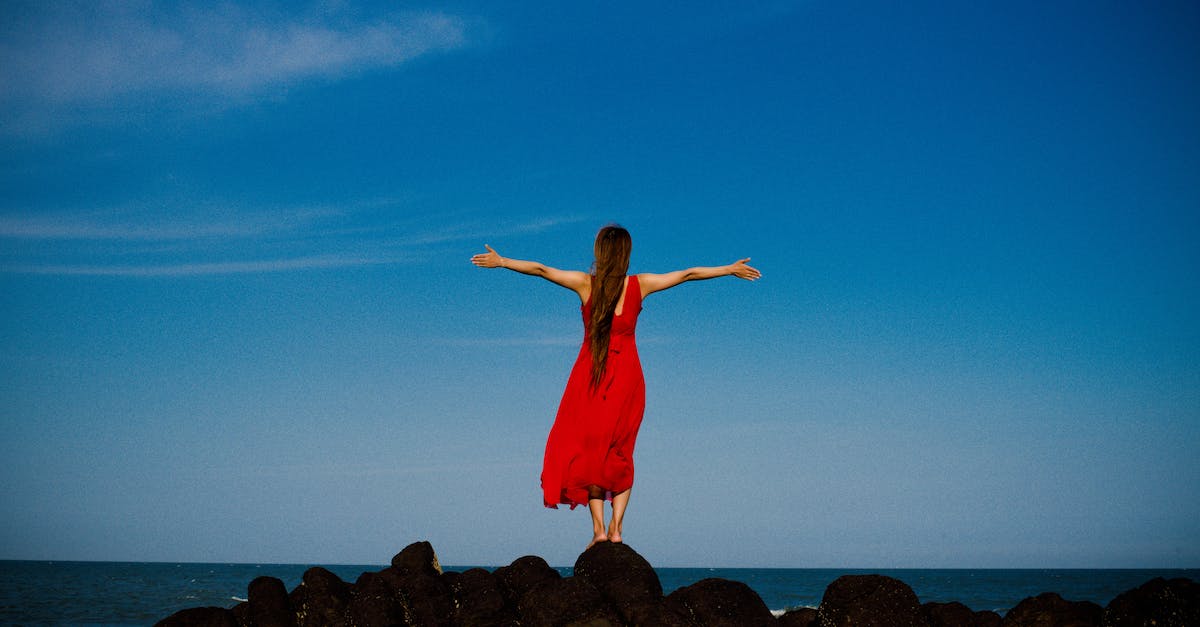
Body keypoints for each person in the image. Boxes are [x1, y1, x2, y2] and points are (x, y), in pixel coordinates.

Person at [471, 225, 760, 548]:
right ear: (626, 253)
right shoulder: (640, 284)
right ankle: (616, 528)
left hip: (590, 376)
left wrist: (503, 261)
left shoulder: (585, 284)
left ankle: (598, 530)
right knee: (620, 451)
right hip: (627, 378)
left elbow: (541, 270)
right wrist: (728, 270)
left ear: (599, 253)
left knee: (589, 450)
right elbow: (688, 274)